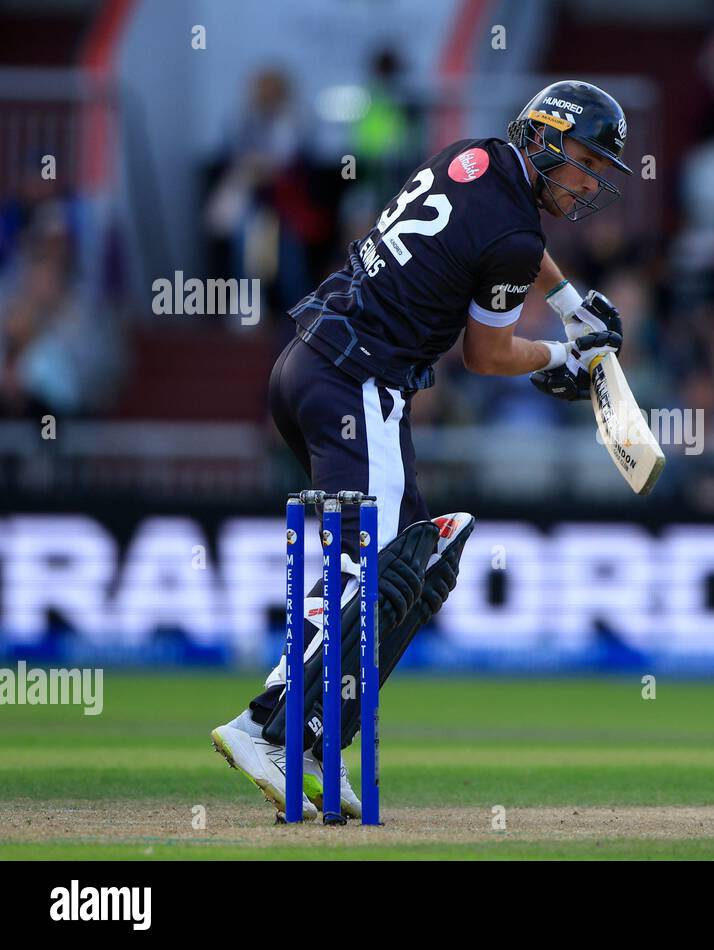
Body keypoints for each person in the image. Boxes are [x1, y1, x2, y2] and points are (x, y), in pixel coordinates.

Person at [211, 80, 633, 820]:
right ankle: (268, 730)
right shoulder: (515, 238)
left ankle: (305, 736)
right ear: (543, 137)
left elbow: (509, 244)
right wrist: (558, 358)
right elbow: (488, 354)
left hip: (309, 364)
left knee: (412, 565)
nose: (590, 180)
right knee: (379, 573)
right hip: (358, 383)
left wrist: (569, 302)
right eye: (585, 160)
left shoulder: (470, 156)